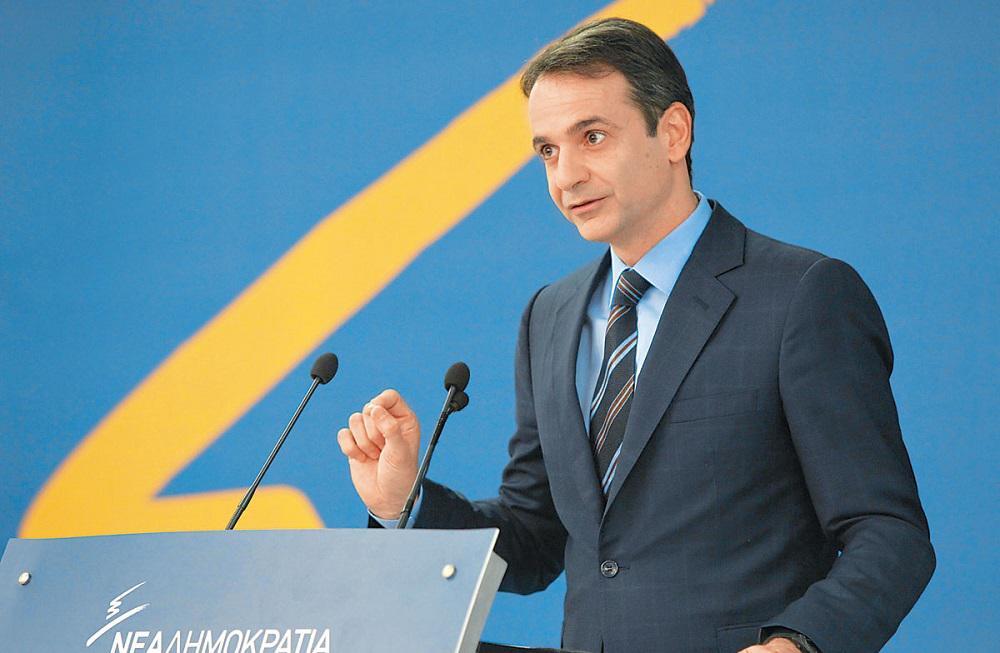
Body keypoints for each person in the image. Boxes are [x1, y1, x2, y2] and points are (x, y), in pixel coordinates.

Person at [335, 18, 934, 653]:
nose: (566, 176)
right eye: (548, 151)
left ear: (673, 132)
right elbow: (534, 538)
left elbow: (889, 534)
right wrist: (405, 501)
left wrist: (798, 645)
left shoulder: (802, 294)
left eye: (592, 137)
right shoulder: (550, 315)